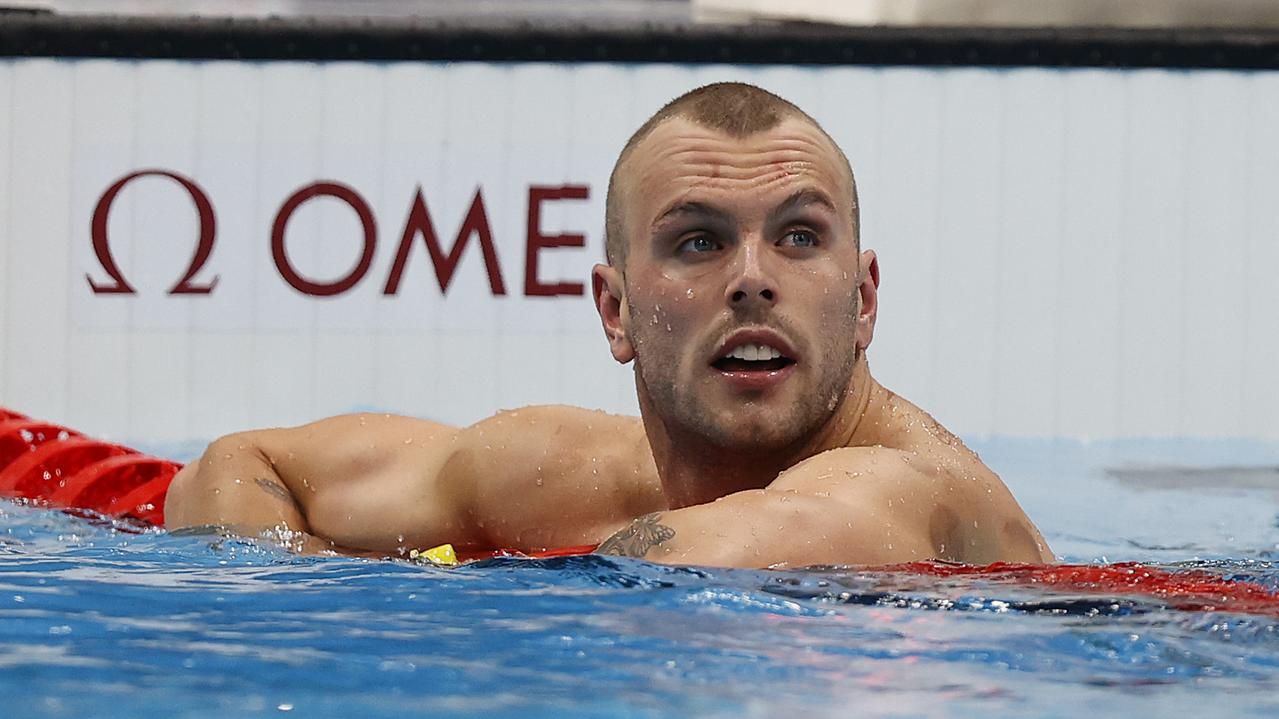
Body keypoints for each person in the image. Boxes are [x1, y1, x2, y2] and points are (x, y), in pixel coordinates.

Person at [165, 82, 1053, 568]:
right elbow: (232, 466)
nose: (751, 280)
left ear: (862, 300)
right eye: (699, 240)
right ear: (615, 309)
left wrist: (429, 578)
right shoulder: (567, 468)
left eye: (797, 236)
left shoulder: (896, 487)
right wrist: (291, 579)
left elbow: (716, 563)